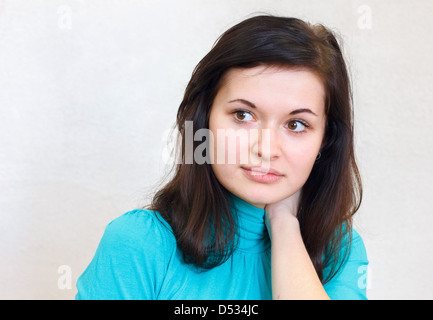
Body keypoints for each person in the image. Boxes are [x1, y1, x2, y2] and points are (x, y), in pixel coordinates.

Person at [76, 15, 368, 300]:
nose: (266, 149)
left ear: (325, 140)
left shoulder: (340, 252)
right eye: (243, 115)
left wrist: (284, 224)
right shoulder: (138, 243)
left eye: (296, 124)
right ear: (204, 122)